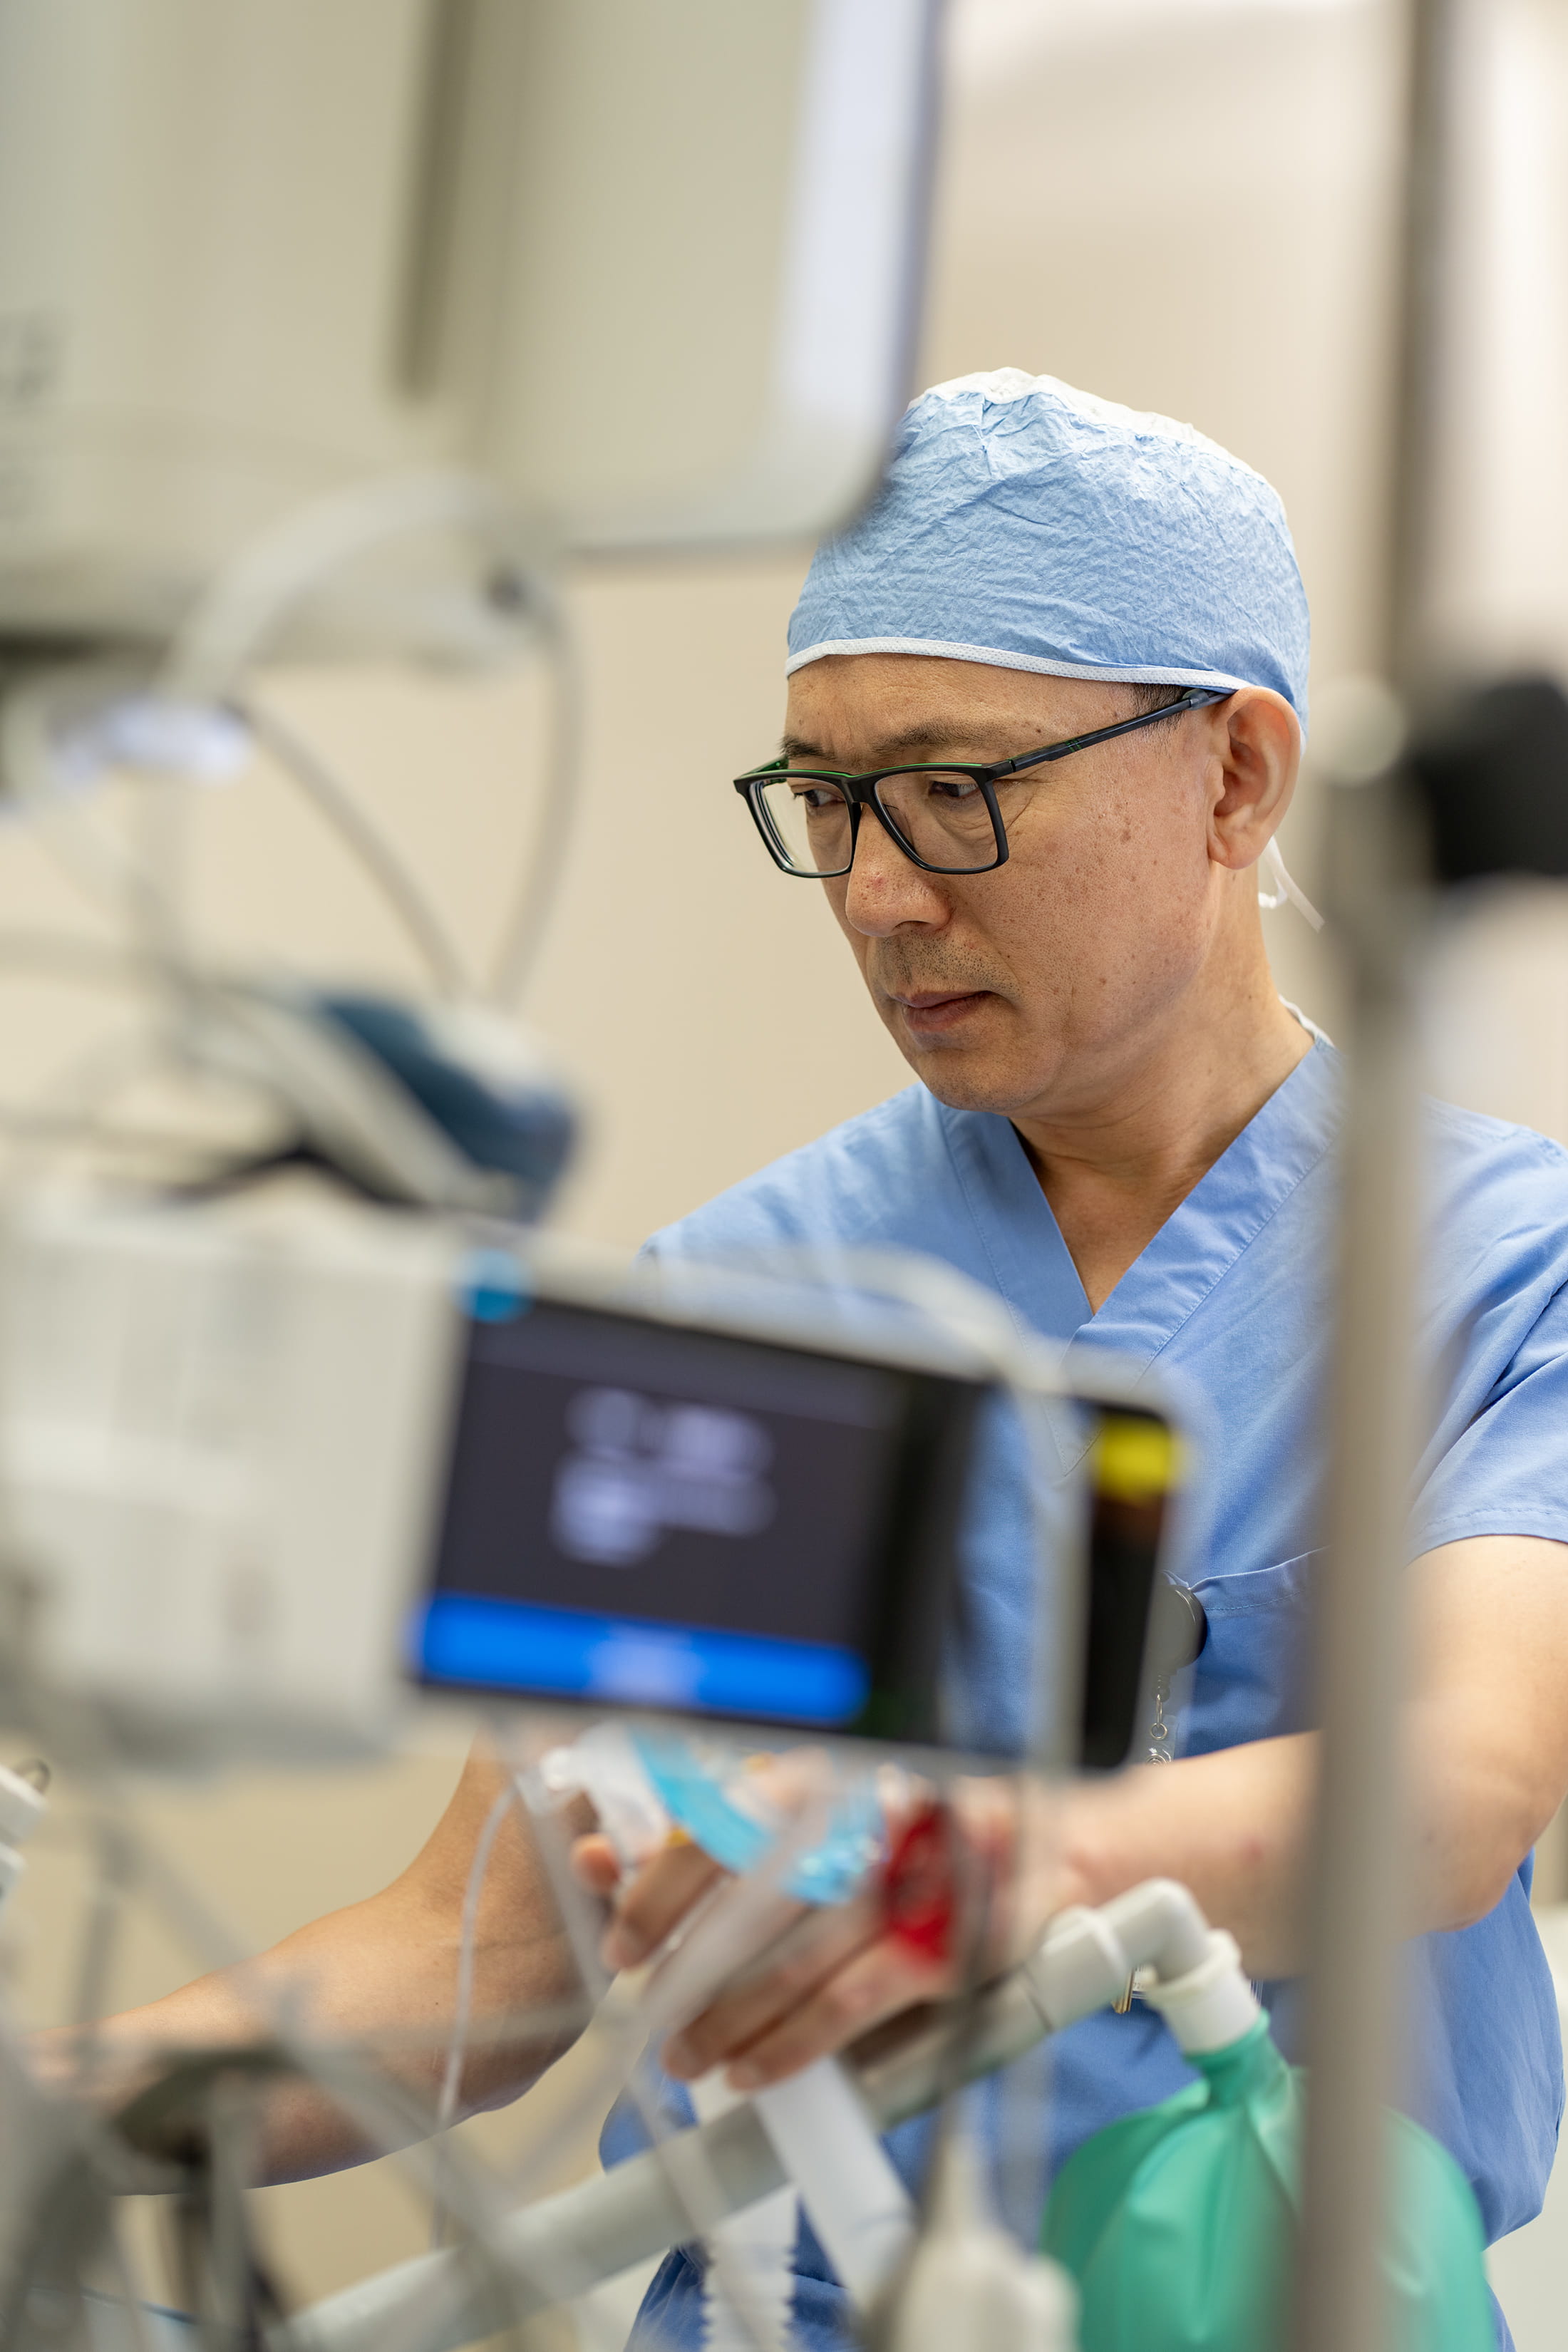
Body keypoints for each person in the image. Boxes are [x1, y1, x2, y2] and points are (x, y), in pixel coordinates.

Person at [74, 372, 1568, 2348]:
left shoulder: (1487, 1269)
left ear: (1235, 773)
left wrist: (958, 1876)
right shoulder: (746, 1290)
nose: (877, 890)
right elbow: (483, 1957)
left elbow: (1455, 1787)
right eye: (829, 800)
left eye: (958, 790)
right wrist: (69, 2104)